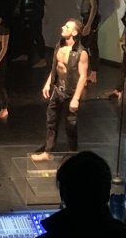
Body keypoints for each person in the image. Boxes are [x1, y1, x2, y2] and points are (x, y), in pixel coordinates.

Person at [31, 19, 88, 162]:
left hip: (70, 92)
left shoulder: (81, 53)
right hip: (58, 89)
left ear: (74, 32)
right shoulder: (60, 45)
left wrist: (76, 98)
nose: (63, 27)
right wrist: (48, 83)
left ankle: (74, 154)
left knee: (70, 125)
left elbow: (83, 77)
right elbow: (55, 67)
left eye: (67, 27)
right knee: (51, 120)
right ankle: (48, 151)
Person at [75, 0, 100, 85]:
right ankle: (92, 75)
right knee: (92, 46)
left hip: (90, 20)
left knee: (84, 47)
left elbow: (94, 6)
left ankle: (84, 76)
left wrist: (88, 24)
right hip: (88, 19)